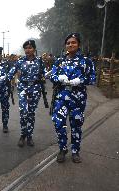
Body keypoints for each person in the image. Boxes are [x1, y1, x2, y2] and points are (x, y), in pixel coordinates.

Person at [50, 33, 96, 163]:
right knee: (59, 124)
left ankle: (75, 151)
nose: (70, 45)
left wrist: (80, 80)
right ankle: (62, 148)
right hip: (62, 97)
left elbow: (92, 78)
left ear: (78, 44)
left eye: (73, 42)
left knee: (76, 125)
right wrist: (58, 78)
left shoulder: (86, 61)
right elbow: (52, 76)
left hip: (78, 99)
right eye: (68, 43)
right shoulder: (60, 61)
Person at [0, 40, 45, 147]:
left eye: (30, 48)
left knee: (31, 113)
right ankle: (23, 135)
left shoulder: (40, 61)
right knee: (23, 112)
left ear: (34, 49)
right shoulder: (20, 61)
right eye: (26, 48)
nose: (28, 50)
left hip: (35, 89)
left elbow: (45, 74)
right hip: (23, 89)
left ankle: (29, 135)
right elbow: (10, 74)